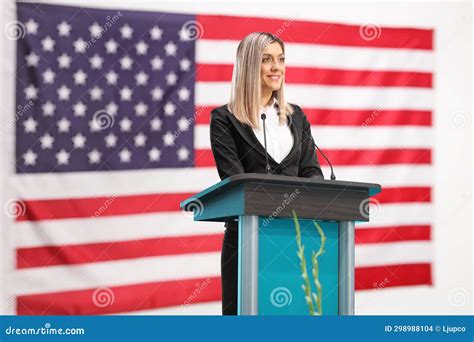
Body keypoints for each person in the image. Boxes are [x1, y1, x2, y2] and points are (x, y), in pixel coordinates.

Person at [209, 32, 324, 315]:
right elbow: (235, 184)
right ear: (249, 65)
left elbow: (312, 172)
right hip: (248, 242)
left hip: (295, 241)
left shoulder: (296, 117)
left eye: (281, 60)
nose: (277, 67)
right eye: (267, 60)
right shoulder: (224, 119)